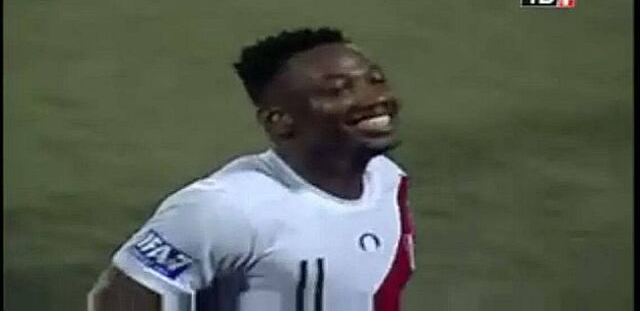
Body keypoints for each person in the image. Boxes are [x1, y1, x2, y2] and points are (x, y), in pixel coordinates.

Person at [88, 27, 415, 311]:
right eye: (338, 90)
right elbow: (122, 300)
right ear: (280, 121)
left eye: (375, 80)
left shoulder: (388, 181)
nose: (376, 98)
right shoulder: (224, 207)